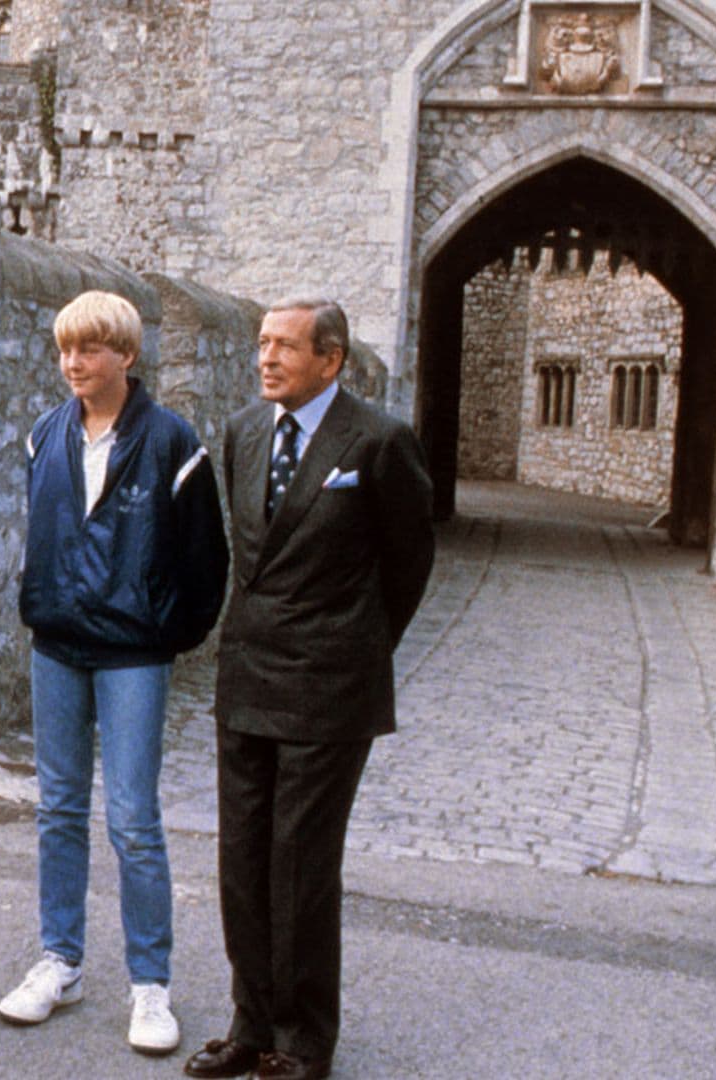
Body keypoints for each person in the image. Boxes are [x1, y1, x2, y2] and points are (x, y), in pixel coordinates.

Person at [183, 299, 436, 1080]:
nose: (265, 358)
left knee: (300, 863)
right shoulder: (243, 432)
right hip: (249, 677)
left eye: (283, 347)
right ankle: (248, 1022)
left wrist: (354, 646)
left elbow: (408, 564)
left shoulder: (379, 442)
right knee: (242, 858)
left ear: (330, 360)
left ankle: (301, 1040)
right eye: (261, 343)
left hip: (330, 687)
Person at [0, 290, 227, 1055]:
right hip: (57, 644)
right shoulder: (44, 434)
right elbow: (41, 532)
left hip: (134, 652)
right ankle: (60, 961)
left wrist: (168, 631)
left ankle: (150, 984)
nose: (73, 363)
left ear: (125, 356)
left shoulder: (171, 441)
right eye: (65, 349)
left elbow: (206, 559)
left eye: (90, 350)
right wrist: (42, 605)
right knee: (58, 809)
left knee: (132, 819)